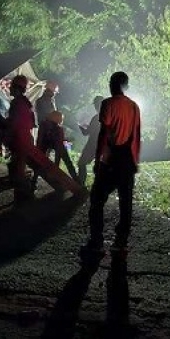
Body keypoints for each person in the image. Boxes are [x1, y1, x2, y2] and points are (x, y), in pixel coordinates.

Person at [80, 71, 141, 262]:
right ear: (127, 86)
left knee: (97, 201)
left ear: (113, 85)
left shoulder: (107, 104)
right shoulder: (133, 106)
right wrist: (135, 161)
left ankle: (97, 242)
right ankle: (120, 243)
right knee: (126, 203)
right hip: (127, 161)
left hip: (111, 160)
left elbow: (103, 135)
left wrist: (98, 161)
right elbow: (136, 136)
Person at [5, 74, 36, 204]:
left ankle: (25, 198)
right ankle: (23, 196)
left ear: (17, 88)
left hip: (21, 140)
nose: (10, 88)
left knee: (18, 170)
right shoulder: (25, 103)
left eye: (12, 86)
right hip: (24, 139)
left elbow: (15, 123)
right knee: (16, 167)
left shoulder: (18, 103)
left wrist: (7, 135)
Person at [31, 110, 79, 190]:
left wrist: (38, 151)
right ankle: (77, 181)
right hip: (51, 144)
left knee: (38, 164)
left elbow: (40, 139)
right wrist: (56, 166)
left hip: (45, 144)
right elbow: (59, 148)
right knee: (68, 162)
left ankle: (33, 182)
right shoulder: (58, 129)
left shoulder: (43, 125)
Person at [77, 95, 104, 186]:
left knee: (81, 163)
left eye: (96, 105)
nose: (95, 107)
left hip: (92, 145)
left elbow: (86, 133)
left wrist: (80, 126)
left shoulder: (96, 118)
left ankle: (80, 185)